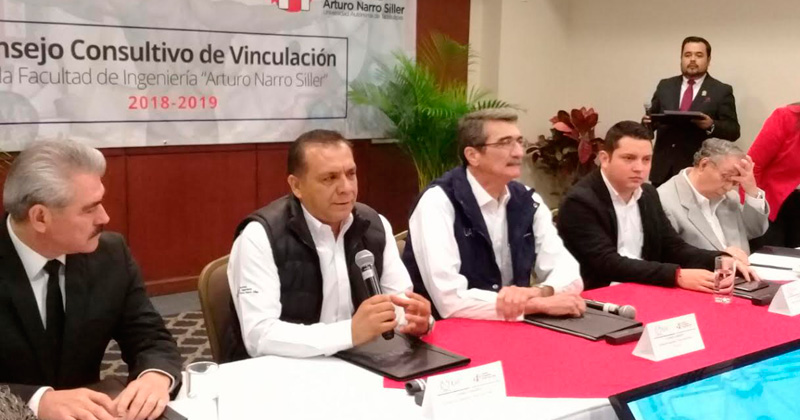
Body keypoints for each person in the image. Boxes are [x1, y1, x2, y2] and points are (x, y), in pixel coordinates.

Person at [0, 140, 181, 420]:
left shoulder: (110, 255)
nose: (104, 217)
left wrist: (155, 375)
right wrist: (37, 401)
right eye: (89, 209)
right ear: (40, 217)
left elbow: (149, 336)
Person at [227, 129, 432, 359]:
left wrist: (415, 320)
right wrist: (350, 332)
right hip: (282, 369)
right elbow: (259, 336)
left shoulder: (374, 226)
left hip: (358, 362)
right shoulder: (260, 236)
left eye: (351, 174)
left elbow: (397, 304)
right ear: (296, 186)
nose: (346, 188)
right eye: (329, 178)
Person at [403, 109, 585, 321]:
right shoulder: (438, 202)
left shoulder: (527, 200)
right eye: (505, 143)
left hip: (513, 326)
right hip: (445, 332)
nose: (518, 153)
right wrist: (536, 305)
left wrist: (540, 291)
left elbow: (570, 274)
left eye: (519, 142)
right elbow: (449, 301)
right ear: (473, 155)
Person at [558, 121, 749, 292]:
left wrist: (719, 258)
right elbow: (606, 263)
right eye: (629, 158)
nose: (639, 168)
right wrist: (676, 275)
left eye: (646, 159)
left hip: (644, 288)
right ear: (605, 159)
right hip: (596, 297)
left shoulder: (647, 194)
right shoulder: (580, 201)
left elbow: (672, 247)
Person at [644, 36, 740, 187]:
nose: (692, 59)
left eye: (699, 55)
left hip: (699, 170)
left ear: (708, 60)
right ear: (681, 58)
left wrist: (711, 125)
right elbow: (651, 123)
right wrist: (647, 123)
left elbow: (733, 131)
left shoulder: (721, 91)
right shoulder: (665, 86)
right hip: (663, 169)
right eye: (687, 55)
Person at [658, 139, 768, 256]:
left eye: (734, 182)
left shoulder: (729, 197)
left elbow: (754, 231)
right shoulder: (665, 202)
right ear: (703, 165)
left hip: (744, 266)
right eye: (725, 177)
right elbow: (668, 256)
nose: (728, 187)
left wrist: (751, 190)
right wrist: (718, 258)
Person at [748, 103, 800, 248]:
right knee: (770, 256)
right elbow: (754, 166)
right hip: (773, 203)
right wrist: (753, 208)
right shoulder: (786, 117)